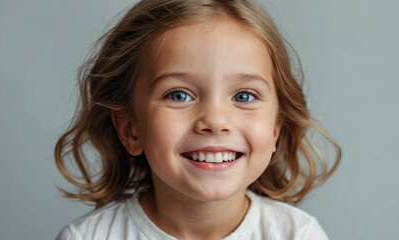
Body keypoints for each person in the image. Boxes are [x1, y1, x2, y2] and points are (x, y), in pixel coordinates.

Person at [54, 0, 341, 239]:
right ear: (131, 129)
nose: (215, 120)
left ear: (275, 129)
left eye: (244, 96)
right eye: (179, 95)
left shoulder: (298, 235)